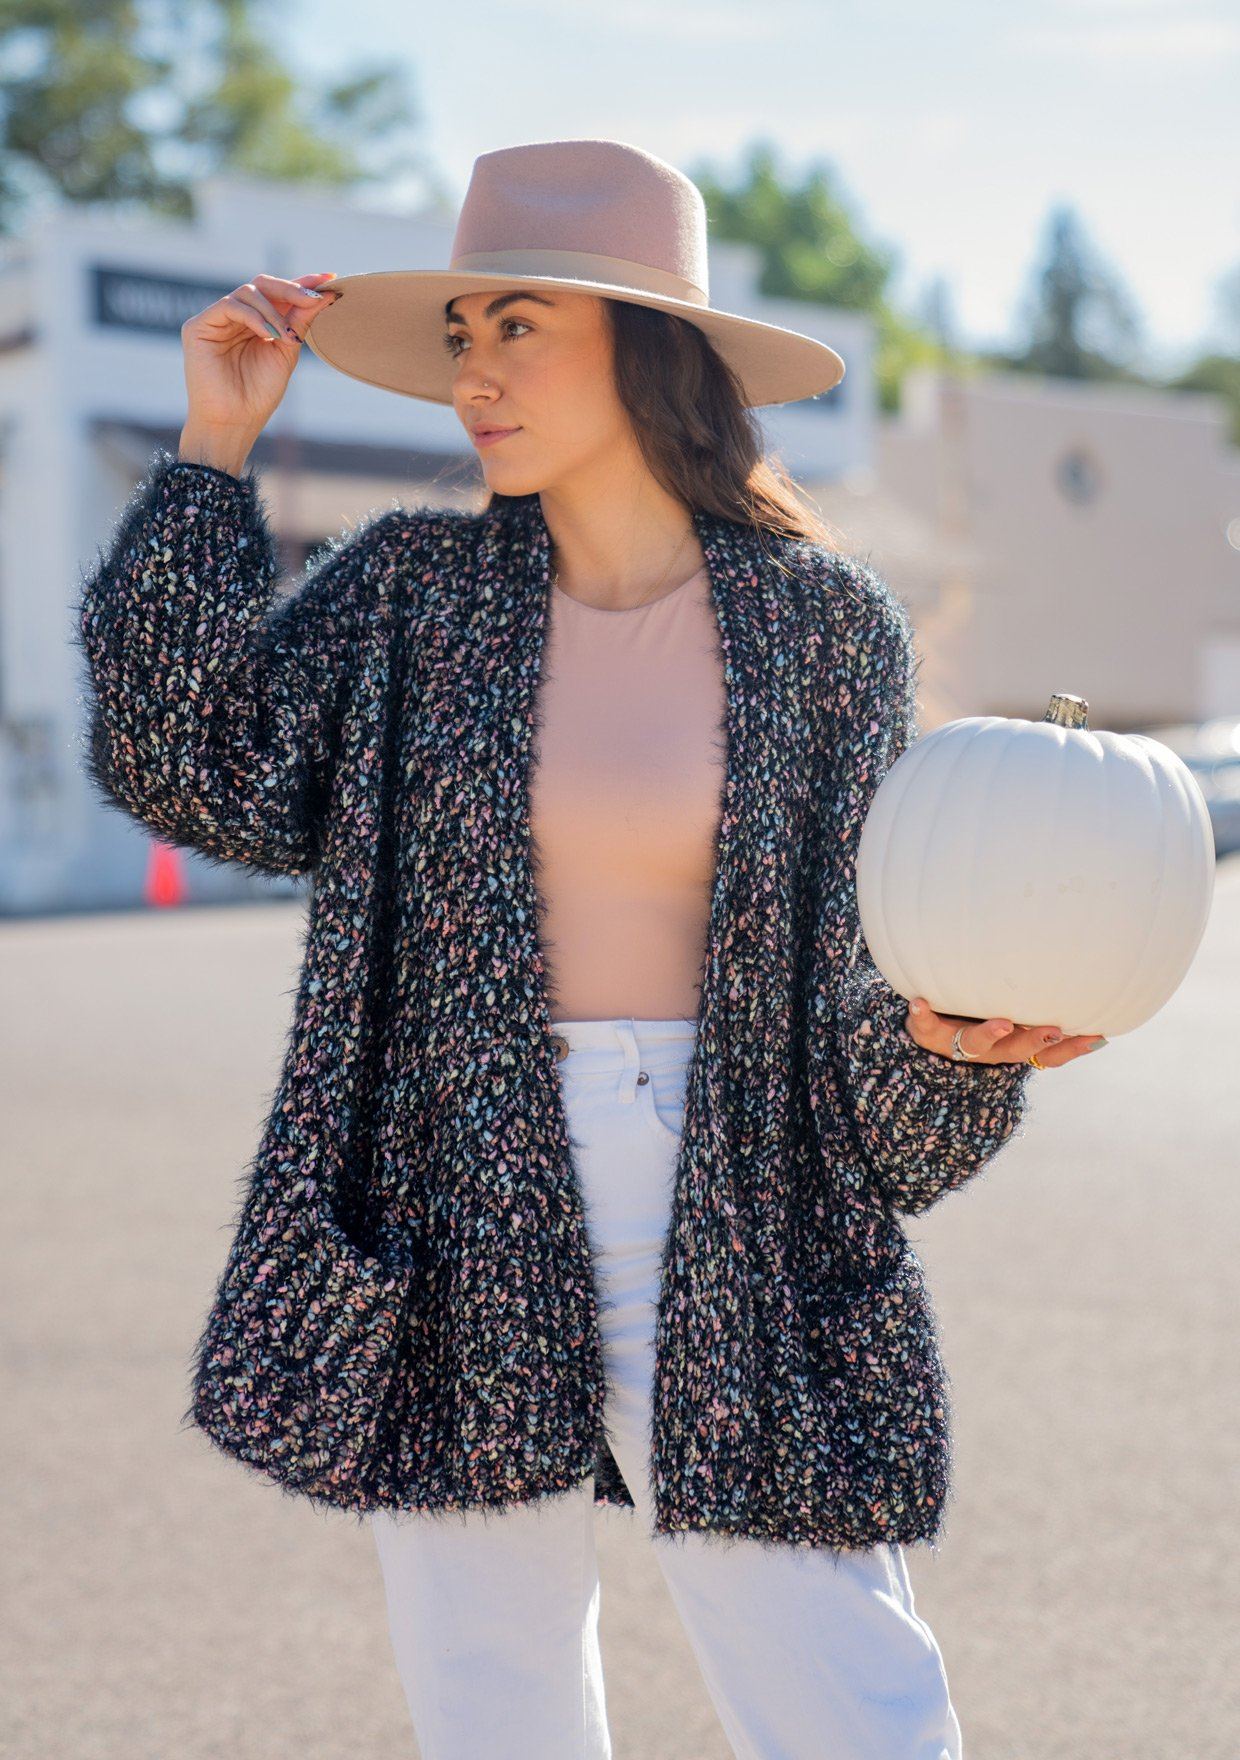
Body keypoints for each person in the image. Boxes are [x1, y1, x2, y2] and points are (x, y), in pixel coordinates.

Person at [76, 139, 1106, 1760]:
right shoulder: (415, 593)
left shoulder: (822, 627)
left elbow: (858, 979)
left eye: (518, 328)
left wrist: (941, 1046)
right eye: (462, 334)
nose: (474, 375)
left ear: (645, 346)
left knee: (849, 1691)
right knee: (497, 1708)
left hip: (734, 1186)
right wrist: (214, 452)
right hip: (449, 1174)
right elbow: (191, 761)